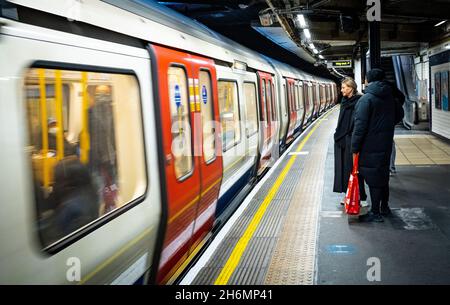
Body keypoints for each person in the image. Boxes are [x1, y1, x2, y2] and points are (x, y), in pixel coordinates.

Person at [351, 68, 398, 222]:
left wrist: (355, 147)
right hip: (385, 143)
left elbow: (360, 126)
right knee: (382, 175)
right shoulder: (390, 96)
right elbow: (400, 114)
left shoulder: (366, 99)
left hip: (369, 145)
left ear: (367, 80)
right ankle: (385, 207)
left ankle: (375, 212)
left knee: (373, 178)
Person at [333, 77, 367, 206]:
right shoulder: (344, 101)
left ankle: (361, 196)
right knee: (344, 169)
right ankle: (348, 194)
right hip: (341, 140)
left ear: (351, 88)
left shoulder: (359, 101)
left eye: (343, 87)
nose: (341, 90)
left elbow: (358, 124)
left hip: (352, 140)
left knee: (354, 170)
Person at [88, 85, 118, 214]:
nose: (103, 97)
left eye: (105, 94)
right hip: (101, 156)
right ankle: (104, 209)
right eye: (100, 94)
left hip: (108, 156)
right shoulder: (89, 113)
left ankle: (111, 206)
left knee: (111, 184)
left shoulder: (112, 112)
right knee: (103, 185)